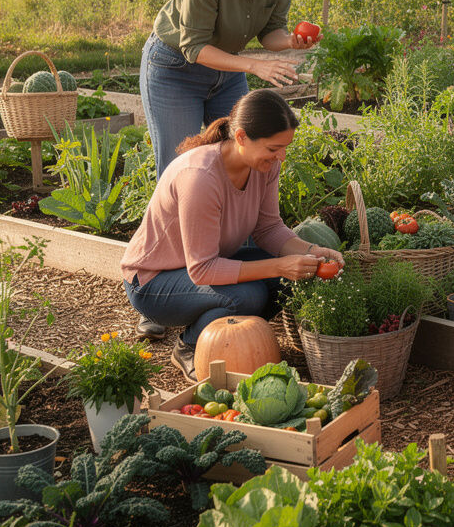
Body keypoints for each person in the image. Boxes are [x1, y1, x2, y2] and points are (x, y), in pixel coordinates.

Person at [136, 0, 318, 340]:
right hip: (175, 69)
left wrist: (291, 43)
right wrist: (254, 66)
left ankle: (234, 282)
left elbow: (271, 31)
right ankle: (169, 300)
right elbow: (195, 46)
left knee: (250, 159)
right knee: (179, 173)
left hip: (229, 69)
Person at [120, 89, 344, 381]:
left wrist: (311, 250)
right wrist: (278, 266)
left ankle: (225, 339)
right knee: (248, 296)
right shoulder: (200, 178)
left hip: (206, 266)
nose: (282, 157)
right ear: (240, 137)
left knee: (290, 278)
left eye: (284, 147)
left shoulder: (264, 166)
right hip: (154, 282)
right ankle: (190, 346)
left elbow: (268, 229)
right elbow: (201, 269)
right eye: (274, 148)